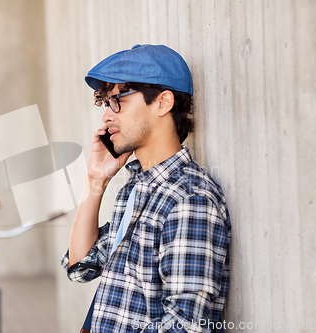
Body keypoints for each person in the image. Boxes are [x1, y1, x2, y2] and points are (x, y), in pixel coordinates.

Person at [61, 44, 232, 333]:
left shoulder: (189, 199)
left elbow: (186, 325)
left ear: (163, 103)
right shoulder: (136, 189)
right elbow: (81, 267)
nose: (107, 116)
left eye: (118, 100)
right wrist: (95, 181)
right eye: (105, 103)